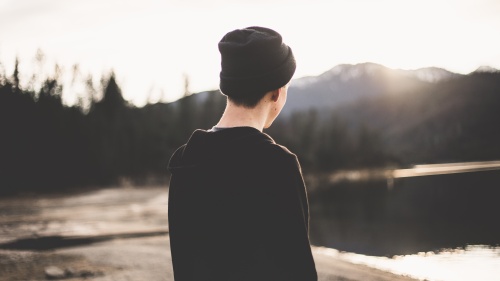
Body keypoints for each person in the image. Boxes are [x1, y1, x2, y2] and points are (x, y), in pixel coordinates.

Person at [167, 26, 317, 281]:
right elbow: (297, 269)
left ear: (229, 88)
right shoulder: (278, 165)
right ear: (277, 93)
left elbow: (184, 263)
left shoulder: (186, 159)